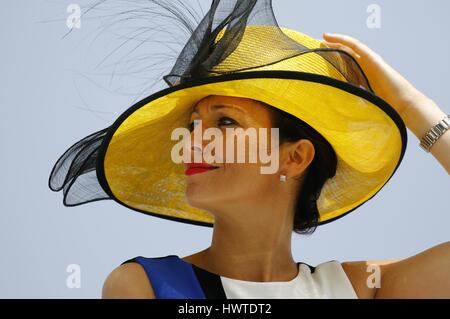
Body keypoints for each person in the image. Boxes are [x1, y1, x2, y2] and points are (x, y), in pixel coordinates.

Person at [48, 0, 450, 299]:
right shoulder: (145, 286)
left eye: (225, 121)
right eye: (193, 125)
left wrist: (415, 108)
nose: (193, 140)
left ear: (294, 157)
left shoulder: (358, 289)